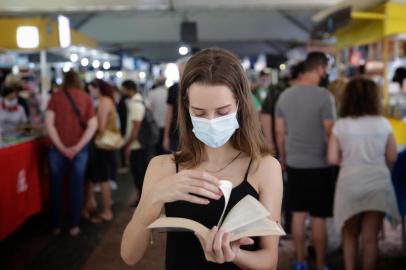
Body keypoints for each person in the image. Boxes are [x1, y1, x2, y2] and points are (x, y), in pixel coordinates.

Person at [121, 48, 283, 270]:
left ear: (239, 105)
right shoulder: (163, 167)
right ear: (186, 108)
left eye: (222, 111)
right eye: (199, 113)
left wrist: (234, 255)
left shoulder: (264, 167)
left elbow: (269, 261)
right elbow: (129, 256)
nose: (211, 121)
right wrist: (154, 198)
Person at [328, 77, 399, 270]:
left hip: (350, 182)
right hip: (377, 182)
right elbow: (392, 155)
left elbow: (332, 158)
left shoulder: (341, 125)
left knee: (349, 235)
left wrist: (350, 162)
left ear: (348, 97)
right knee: (370, 239)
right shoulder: (383, 123)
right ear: (374, 98)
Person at [275, 52, 336, 270]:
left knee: (298, 215)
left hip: (295, 164)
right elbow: (330, 131)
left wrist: (283, 158)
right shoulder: (324, 96)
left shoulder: (285, 96)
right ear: (320, 68)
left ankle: (299, 261)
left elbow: (279, 132)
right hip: (320, 165)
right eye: (326, 69)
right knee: (318, 217)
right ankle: (320, 264)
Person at [45, 70, 97, 236]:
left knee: (56, 187)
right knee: (76, 187)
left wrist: (60, 146)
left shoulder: (56, 97)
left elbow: (49, 124)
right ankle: (74, 225)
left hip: (56, 150)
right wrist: (78, 146)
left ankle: (56, 225)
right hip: (79, 150)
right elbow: (92, 125)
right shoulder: (86, 97)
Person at [84, 79, 118, 223]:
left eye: (92, 88)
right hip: (103, 145)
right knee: (98, 177)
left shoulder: (104, 101)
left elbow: (101, 126)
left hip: (101, 145)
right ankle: (94, 205)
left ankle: (106, 211)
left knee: (103, 179)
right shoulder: (107, 100)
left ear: (98, 88)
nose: (90, 91)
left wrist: (88, 126)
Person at [260, 62, 304, 154]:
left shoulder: (300, 91)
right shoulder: (278, 89)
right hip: (278, 144)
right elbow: (265, 114)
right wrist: (269, 142)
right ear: (300, 75)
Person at [122, 80, 148, 202]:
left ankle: (140, 200)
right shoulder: (140, 100)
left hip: (137, 145)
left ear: (128, 89)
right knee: (140, 173)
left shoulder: (135, 104)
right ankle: (141, 198)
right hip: (140, 143)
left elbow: (135, 128)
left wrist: (128, 144)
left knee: (139, 174)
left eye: (124, 88)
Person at [163, 58, 188, 152]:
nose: (181, 73)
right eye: (179, 71)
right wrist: (166, 136)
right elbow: (168, 113)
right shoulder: (173, 89)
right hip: (176, 131)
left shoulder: (198, 88)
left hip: (194, 132)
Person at [148, 75, 168, 155]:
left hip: (155, 124)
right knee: (166, 147)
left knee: (156, 146)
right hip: (167, 124)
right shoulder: (168, 92)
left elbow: (149, 108)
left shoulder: (152, 93)